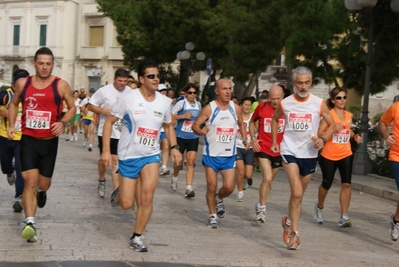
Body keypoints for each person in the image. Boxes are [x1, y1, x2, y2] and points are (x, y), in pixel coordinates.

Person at [104, 60, 182, 252]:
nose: (156, 79)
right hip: (129, 155)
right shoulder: (129, 99)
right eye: (151, 76)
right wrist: (106, 150)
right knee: (126, 204)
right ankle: (120, 191)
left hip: (151, 155)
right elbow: (109, 122)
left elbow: (168, 125)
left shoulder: (164, 102)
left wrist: (174, 146)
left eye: (157, 76)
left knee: (147, 197)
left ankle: (137, 236)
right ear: (141, 79)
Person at [7, 47, 76, 242]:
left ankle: (41, 192)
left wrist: (62, 122)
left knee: (43, 184)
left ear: (52, 65)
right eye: (41, 63)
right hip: (28, 140)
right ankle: (30, 222)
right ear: (34, 64)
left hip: (49, 143)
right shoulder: (23, 83)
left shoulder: (61, 85)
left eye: (48, 64)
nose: (44, 67)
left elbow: (72, 108)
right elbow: (13, 104)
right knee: (29, 181)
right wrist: (12, 126)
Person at [270, 66, 336, 250]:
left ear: (311, 83)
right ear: (293, 83)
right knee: (297, 192)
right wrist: (275, 141)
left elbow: (332, 125)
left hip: (309, 153)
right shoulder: (286, 103)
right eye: (300, 82)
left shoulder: (318, 103)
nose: (303, 86)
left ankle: (288, 222)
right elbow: (275, 119)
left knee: (298, 196)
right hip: (289, 150)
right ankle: (295, 234)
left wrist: (322, 139)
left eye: (307, 82)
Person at [192, 79, 247, 229]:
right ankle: (212, 216)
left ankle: (219, 199)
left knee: (229, 187)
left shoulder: (235, 108)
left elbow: (241, 122)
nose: (228, 92)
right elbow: (195, 125)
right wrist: (200, 131)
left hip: (229, 155)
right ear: (217, 91)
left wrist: (246, 138)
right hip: (211, 155)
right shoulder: (210, 108)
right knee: (211, 186)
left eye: (230, 89)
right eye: (224, 89)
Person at [314, 87, 361, 228]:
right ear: (333, 100)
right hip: (329, 154)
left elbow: (348, 128)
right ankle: (319, 207)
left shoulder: (348, 115)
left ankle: (344, 216)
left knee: (346, 183)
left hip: (345, 153)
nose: (342, 100)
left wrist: (354, 136)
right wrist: (333, 128)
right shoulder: (330, 114)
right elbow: (320, 132)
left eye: (344, 97)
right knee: (327, 183)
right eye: (339, 98)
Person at [88, 68, 130, 198]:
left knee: (116, 161)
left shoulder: (131, 92)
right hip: (105, 131)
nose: (122, 83)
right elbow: (90, 106)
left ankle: (116, 190)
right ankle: (101, 179)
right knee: (104, 161)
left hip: (122, 132)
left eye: (125, 81)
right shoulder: (104, 91)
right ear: (114, 79)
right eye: (120, 81)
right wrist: (103, 111)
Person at [250, 85, 285, 222]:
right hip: (264, 148)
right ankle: (262, 210)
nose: (275, 101)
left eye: (278, 98)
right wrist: (253, 138)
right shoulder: (262, 107)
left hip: (279, 150)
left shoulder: (287, 109)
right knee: (268, 178)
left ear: (283, 97)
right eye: (272, 98)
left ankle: (259, 203)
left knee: (269, 182)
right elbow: (252, 122)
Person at [0, 69, 30, 212]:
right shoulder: (5, 95)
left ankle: (18, 197)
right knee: (6, 166)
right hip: (4, 137)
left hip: (22, 139)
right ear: (15, 83)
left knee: (21, 168)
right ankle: (9, 171)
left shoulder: (31, 96)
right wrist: (2, 112)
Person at [171, 83, 202, 197]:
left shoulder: (198, 104)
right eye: (190, 93)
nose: (192, 95)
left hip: (193, 137)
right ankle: (174, 177)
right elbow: (170, 116)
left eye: (194, 93)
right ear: (186, 93)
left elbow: (201, 118)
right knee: (178, 162)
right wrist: (183, 116)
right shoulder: (181, 103)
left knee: (190, 162)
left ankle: (189, 188)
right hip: (180, 136)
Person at [378, 101, 399, 241]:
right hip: (397, 157)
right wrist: (386, 136)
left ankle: (396, 220)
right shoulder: (396, 107)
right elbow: (382, 122)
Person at [235, 97, 255, 202]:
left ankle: (245, 181)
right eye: (245, 104)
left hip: (250, 148)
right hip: (238, 146)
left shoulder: (253, 117)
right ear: (241, 105)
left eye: (249, 105)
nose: (247, 107)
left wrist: (252, 141)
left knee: (248, 174)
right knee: (241, 171)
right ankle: (239, 193)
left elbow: (257, 131)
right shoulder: (236, 117)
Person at [158, 84, 171, 176]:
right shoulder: (153, 101)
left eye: (164, 90)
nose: (163, 92)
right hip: (155, 129)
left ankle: (164, 167)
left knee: (166, 147)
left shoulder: (168, 102)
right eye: (161, 90)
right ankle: (157, 161)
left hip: (164, 129)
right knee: (157, 147)